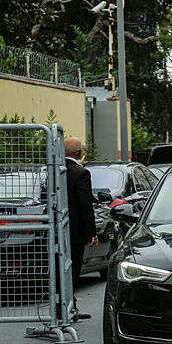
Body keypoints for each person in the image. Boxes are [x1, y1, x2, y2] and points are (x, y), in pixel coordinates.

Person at [65, 136, 98, 320]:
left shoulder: (53, 171)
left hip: (56, 230)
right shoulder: (81, 173)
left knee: (59, 269)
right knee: (74, 268)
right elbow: (86, 204)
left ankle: (64, 307)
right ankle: (70, 307)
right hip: (74, 231)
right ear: (80, 153)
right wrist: (91, 232)